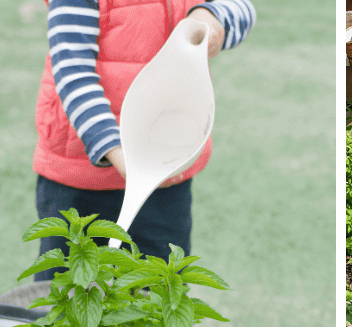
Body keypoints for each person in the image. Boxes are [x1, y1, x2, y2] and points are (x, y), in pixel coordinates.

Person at [33, 0, 255, 280]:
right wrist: (115, 151)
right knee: (69, 292)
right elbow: (72, 70)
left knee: (158, 288)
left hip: (164, 173)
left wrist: (212, 16)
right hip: (81, 178)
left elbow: (242, 7)